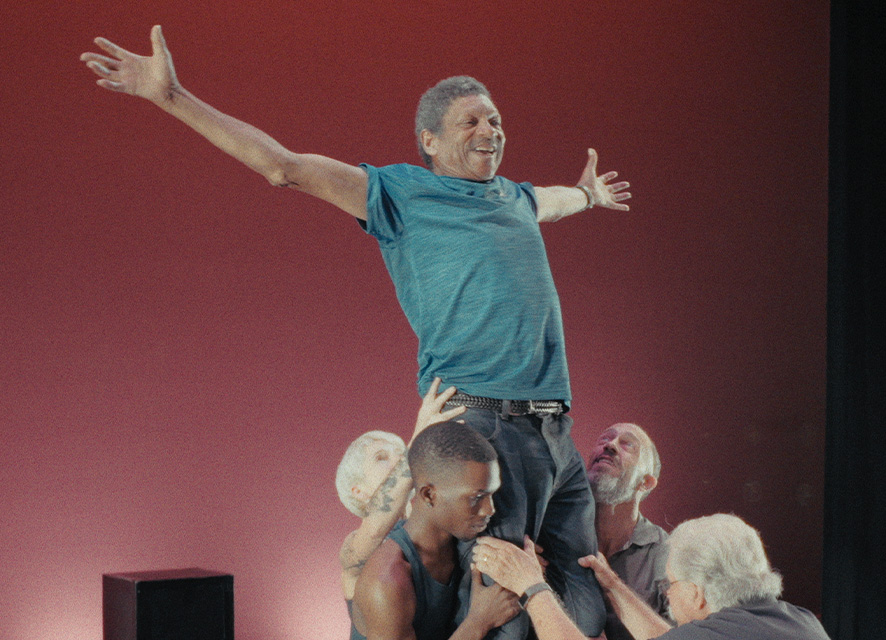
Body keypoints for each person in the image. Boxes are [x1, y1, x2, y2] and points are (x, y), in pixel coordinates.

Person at [81, 27, 631, 637]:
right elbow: (284, 167)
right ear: (430, 140)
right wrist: (172, 96)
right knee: (508, 613)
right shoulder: (401, 194)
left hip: (554, 427)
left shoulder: (514, 198)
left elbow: (551, 200)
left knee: (585, 598)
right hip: (485, 424)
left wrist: (587, 194)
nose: (490, 131)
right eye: (471, 122)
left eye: (496, 120)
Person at [472, 513, 832, 640]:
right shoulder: (802, 622)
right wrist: (613, 586)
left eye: (671, 584)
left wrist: (531, 585)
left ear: (697, 594)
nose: (668, 594)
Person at [351, 420, 519, 640]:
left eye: (491, 494)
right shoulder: (386, 582)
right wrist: (479, 621)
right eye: (476, 497)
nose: (490, 509)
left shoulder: (459, 537)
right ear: (429, 495)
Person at [336, 379, 466, 607]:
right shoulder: (352, 551)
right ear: (359, 491)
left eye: (400, 452)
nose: (398, 458)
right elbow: (375, 530)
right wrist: (419, 438)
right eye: (381, 458)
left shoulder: (438, 527)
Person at [587, 423, 670, 638]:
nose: (610, 445)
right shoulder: (555, 531)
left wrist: (613, 584)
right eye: (605, 439)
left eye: (628, 444)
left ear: (646, 482)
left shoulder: (668, 554)